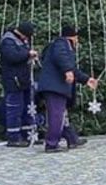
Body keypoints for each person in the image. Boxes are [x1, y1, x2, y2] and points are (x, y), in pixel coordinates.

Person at [36, 24, 97, 152]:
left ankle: (71, 139)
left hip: (55, 86)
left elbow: (71, 68)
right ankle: (51, 144)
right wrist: (67, 71)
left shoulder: (60, 45)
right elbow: (62, 58)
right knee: (57, 115)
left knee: (61, 115)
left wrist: (86, 79)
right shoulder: (61, 44)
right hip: (55, 87)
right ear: (74, 37)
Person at [0, 22, 37, 147]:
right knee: (14, 109)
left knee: (26, 108)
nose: (27, 39)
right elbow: (12, 57)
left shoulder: (20, 40)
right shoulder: (8, 40)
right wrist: (28, 54)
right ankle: (14, 137)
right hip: (13, 81)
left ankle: (27, 134)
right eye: (27, 36)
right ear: (21, 33)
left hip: (22, 80)